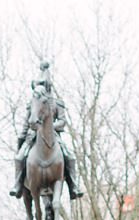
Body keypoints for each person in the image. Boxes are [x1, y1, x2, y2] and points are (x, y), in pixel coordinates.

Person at [9, 61, 85, 201]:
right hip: (34, 136)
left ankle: (73, 186)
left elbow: (62, 121)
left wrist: (50, 128)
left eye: (45, 86)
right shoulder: (32, 104)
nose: (44, 89)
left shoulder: (57, 103)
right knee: (20, 157)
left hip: (53, 136)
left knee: (70, 156)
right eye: (41, 86)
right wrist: (23, 135)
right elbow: (27, 122)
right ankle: (18, 184)